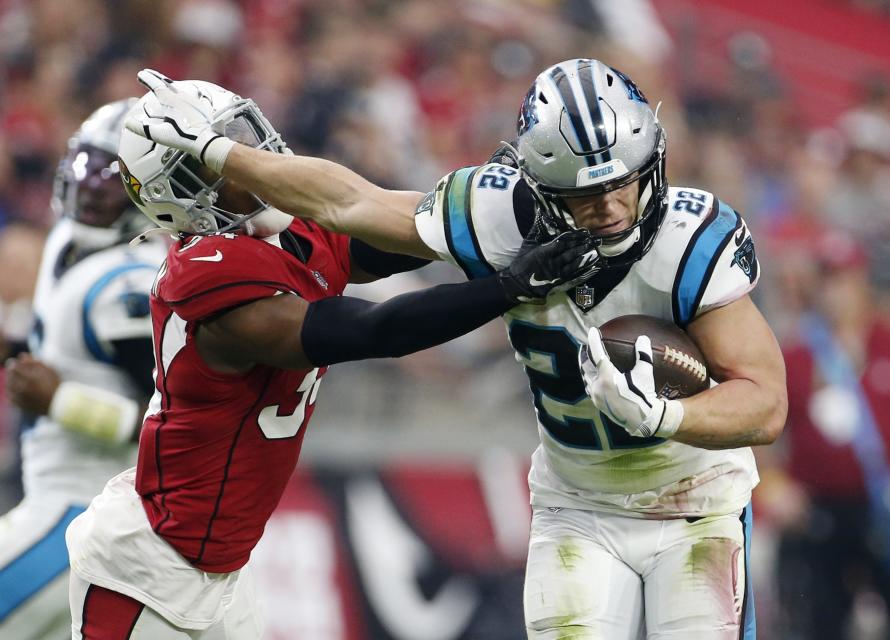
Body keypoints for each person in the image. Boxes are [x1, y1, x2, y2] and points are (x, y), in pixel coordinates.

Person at [126, 60, 787, 639]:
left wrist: (669, 418)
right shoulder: (498, 214)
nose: (613, 208)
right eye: (585, 195)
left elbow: (765, 402)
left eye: (626, 182)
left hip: (694, 500)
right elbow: (351, 202)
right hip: (577, 504)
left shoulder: (687, 235)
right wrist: (221, 155)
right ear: (541, 186)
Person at [65, 77, 599, 639]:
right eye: (220, 160)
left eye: (241, 138)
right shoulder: (206, 276)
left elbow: (386, 239)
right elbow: (372, 330)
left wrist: (482, 216)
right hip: (151, 570)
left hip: (224, 570)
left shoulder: (285, 233)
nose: (252, 161)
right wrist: (507, 287)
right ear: (185, 197)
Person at [0, 99, 165, 640]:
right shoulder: (71, 245)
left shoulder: (135, 281)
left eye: (114, 177)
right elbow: (73, 351)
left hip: (86, 515)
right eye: (88, 165)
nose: (93, 185)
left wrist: (61, 402)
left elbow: (170, 423)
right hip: (52, 500)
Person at [769, 231, 890, 640]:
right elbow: (757, 427)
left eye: (843, 279)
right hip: (818, 514)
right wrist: (772, 484)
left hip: (888, 508)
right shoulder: (796, 355)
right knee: (815, 623)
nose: (834, 292)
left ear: (862, 282)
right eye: (826, 280)